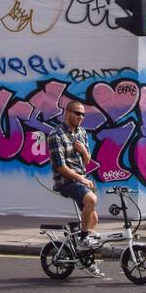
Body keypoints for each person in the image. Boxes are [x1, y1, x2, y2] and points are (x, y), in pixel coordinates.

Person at [47, 99, 102, 270]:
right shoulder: (56, 135)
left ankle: (87, 259)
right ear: (67, 113)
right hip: (66, 181)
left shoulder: (82, 133)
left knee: (94, 217)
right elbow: (60, 166)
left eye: (83, 114)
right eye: (77, 113)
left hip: (80, 179)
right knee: (91, 200)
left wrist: (84, 151)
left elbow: (86, 161)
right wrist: (81, 179)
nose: (81, 117)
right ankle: (84, 237)